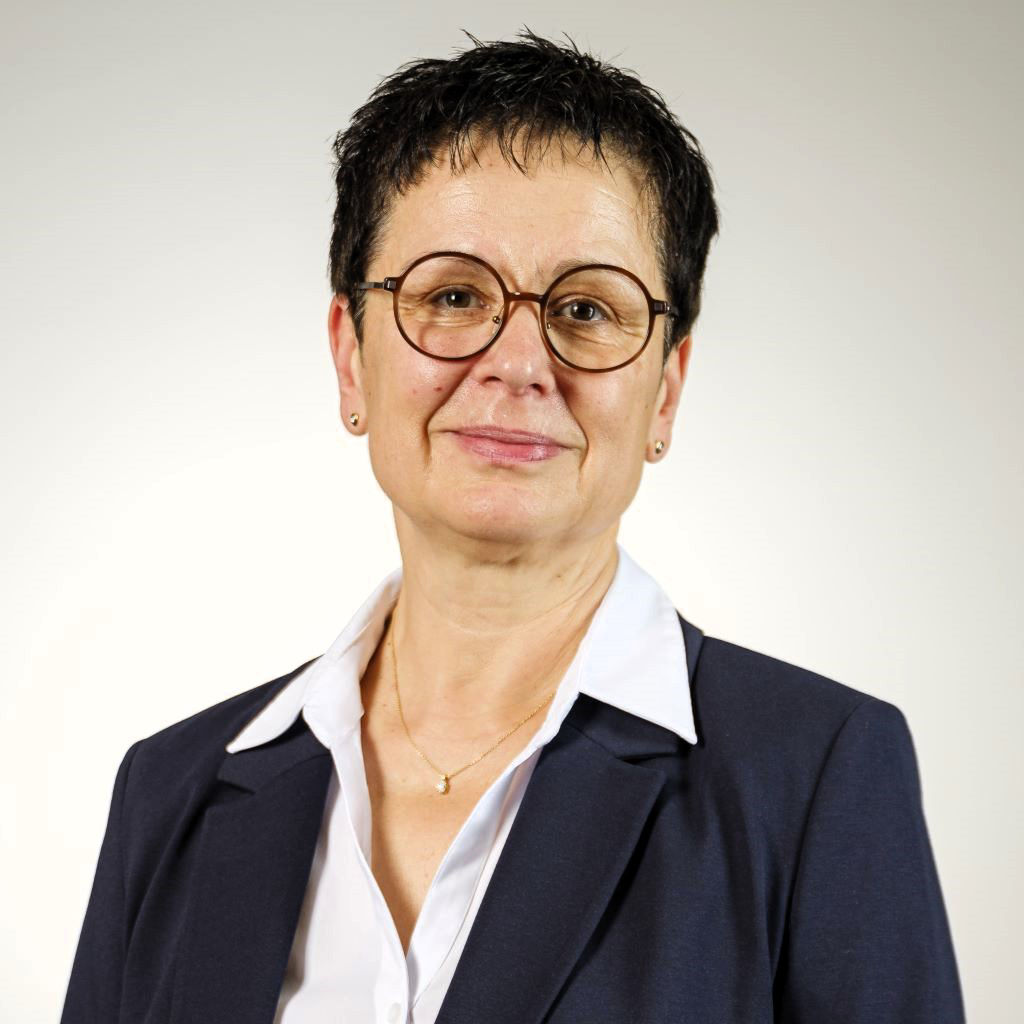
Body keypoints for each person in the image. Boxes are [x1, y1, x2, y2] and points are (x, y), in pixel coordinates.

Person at [59, 29, 965, 1024]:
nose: (520, 363)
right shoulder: (171, 794)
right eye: (452, 295)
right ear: (351, 359)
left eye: (587, 309)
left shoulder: (815, 776)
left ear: (666, 390)